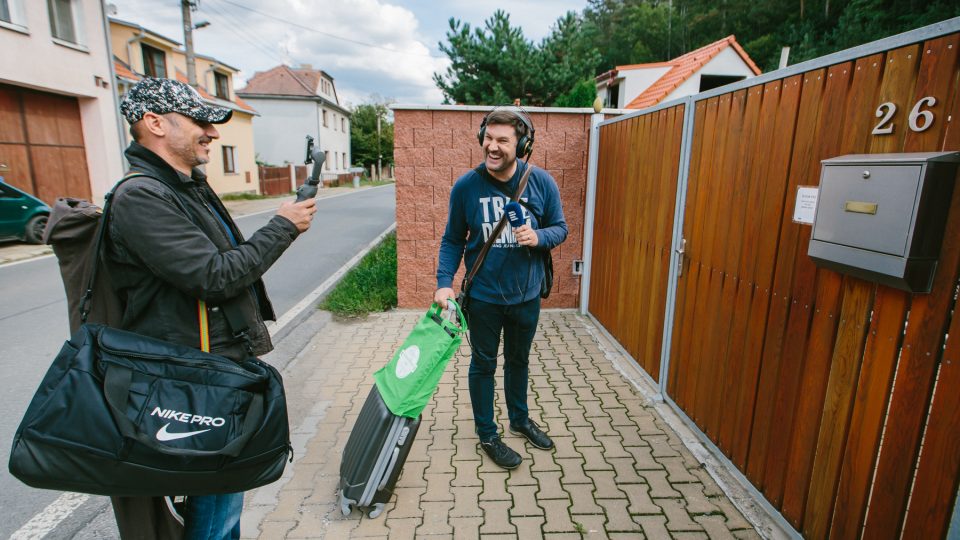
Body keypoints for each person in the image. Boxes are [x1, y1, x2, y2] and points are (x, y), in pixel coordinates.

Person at [107, 77, 316, 539]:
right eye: (200, 122)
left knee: (220, 501)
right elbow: (216, 277)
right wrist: (282, 226)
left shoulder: (183, 187)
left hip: (212, 369)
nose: (213, 132)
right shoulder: (142, 196)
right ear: (155, 123)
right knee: (216, 512)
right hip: (192, 378)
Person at [434, 108, 568, 469]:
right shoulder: (467, 186)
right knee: (483, 363)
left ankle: (520, 420)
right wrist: (444, 284)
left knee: (519, 361)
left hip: (526, 295)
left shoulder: (541, 183)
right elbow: (451, 240)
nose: (492, 147)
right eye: (488, 138)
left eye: (502, 141)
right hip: (484, 298)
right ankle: (488, 433)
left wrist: (537, 236)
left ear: (522, 145)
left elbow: (561, 228)